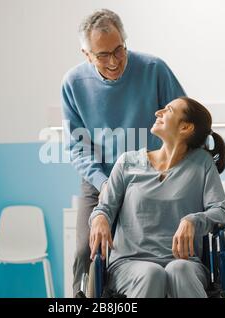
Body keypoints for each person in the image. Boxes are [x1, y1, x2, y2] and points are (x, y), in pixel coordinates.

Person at [61, 9, 186, 296]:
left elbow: (184, 119)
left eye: (119, 49)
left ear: (125, 40)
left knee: (161, 252)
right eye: (103, 55)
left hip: (153, 176)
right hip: (100, 176)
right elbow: (78, 147)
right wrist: (105, 185)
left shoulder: (155, 69)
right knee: (85, 249)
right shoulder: (73, 83)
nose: (114, 61)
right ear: (87, 54)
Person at [89, 97, 225, 298]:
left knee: (178, 269)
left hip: (186, 263)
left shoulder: (202, 164)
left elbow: (220, 211)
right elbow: (104, 208)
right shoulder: (128, 162)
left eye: (168, 110)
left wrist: (193, 220)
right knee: (152, 273)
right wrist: (100, 217)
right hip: (129, 264)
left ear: (185, 127)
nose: (158, 113)